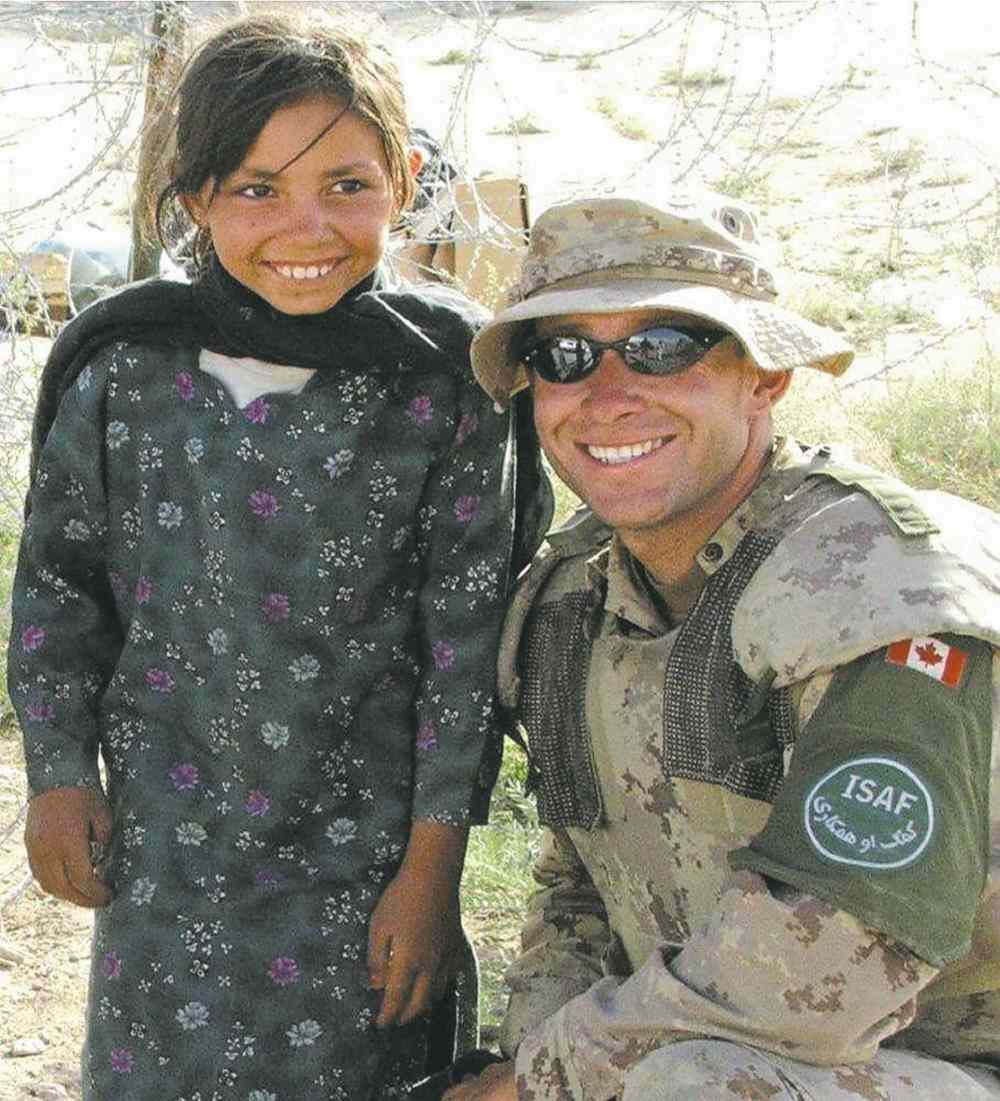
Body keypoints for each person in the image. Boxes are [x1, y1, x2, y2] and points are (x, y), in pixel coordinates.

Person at [7, 11, 549, 1100]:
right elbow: (59, 586)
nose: (307, 226)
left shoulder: (446, 380)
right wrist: (59, 775)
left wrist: (432, 873)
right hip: (166, 850)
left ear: (402, 182)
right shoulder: (127, 365)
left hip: (370, 863)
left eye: (347, 185)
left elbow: (465, 642)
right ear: (196, 197)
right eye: (258, 189)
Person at [444, 194, 1000, 1100]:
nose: (609, 396)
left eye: (664, 347)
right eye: (565, 356)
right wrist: (533, 1058)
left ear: (764, 375)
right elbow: (580, 885)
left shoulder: (883, 587)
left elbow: (834, 966)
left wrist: (541, 1081)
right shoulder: (570, 600)